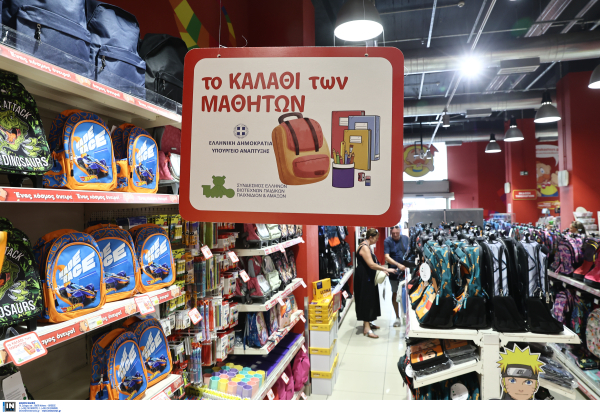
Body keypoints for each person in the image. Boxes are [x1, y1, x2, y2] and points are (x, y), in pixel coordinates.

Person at [355, 228, 397, 339]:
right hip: (364, 277)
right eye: (376, 238)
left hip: (367, 276)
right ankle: (367, 328)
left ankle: (368, 323)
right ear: (371, 237)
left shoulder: (366, 246)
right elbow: (371, 264)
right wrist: (385, 269)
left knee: (370, 299)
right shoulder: (364, 247)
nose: (377, 240)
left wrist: (382, 270)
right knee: (366, 300)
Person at [384, 226, 408, 327]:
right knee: (395, 293)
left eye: (396, 233)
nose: (394, 235)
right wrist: (398, 265)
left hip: (406, 271)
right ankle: (397, 317)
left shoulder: (405, 239)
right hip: (394, 271)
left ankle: (406, 316)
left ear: (400, 231)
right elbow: (386, 256)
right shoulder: (388, 241)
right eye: (393, 233)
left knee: (406, 293)